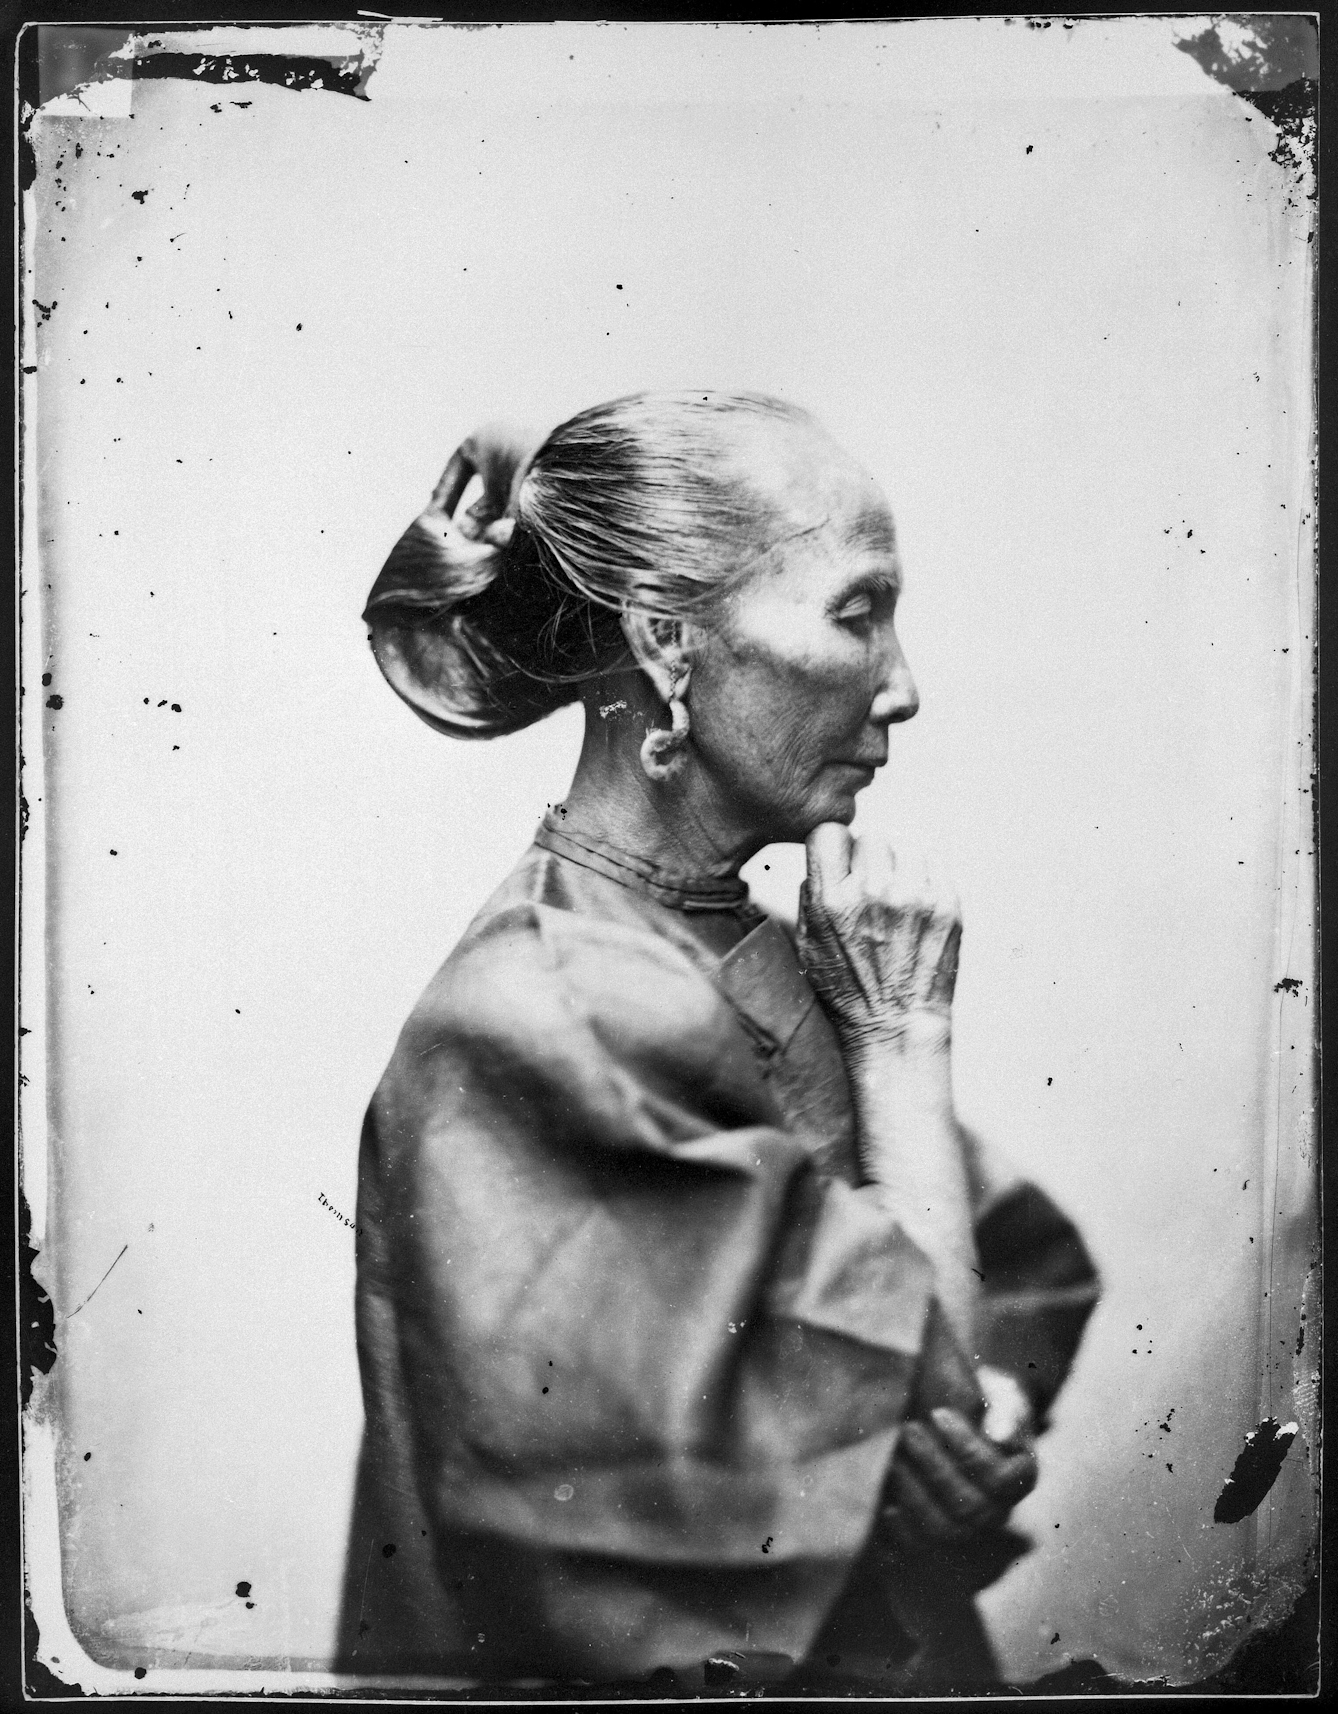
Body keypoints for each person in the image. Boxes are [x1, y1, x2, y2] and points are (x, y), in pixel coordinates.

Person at [336, 392, 1098, 1691]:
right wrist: (904, 1040)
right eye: (856, 613)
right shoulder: (545, 1018)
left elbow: (993, 1303)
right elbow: (909, 1388)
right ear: (666, 642)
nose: (900, 686)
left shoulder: (740, 945)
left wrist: (946, 1433)